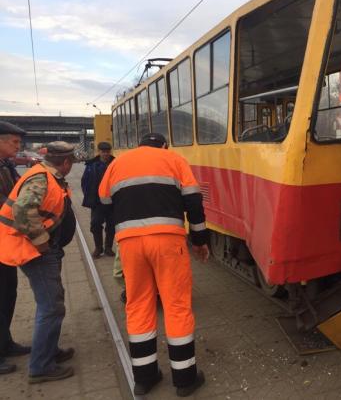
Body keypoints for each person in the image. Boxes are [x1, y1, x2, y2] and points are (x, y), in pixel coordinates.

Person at [99, 133, 209, 397]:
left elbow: (103, 200)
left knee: (138, 304)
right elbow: (194, 202)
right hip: (168, 243)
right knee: (176, 305)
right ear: (164, 146)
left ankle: (144, 377)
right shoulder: (174, 160)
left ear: (139, 146)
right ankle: (184, 379)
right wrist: (199, 240)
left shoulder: (118, 164)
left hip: (130, 244)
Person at [0, 141, 77, 383]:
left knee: (53, 301)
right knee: (51, 306)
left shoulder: (46, 175)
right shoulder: (42, 178)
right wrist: (41, 241)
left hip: (41, 249)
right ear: (65, 162)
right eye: (71, 162)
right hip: (34, 250)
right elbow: (23, 209)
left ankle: (49, 350)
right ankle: (41, 366)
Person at [0, 121, 31, 375]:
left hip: (5, 240)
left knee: (7, 292)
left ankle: (5, 342)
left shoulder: (7, 165)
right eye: (14, 142)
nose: (17, 146)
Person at [81, 141, 115, 258]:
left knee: (111, 225)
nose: (105, 154)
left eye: (107, 152)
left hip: (112, 202)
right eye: (103, 152)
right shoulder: (91, 165)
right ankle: (98, 248)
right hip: (97, 202)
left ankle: (108, 248)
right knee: (95, 225)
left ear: (110, 152)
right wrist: (89, 195)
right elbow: (84, 182)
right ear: (99, 152)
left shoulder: (115, 164)